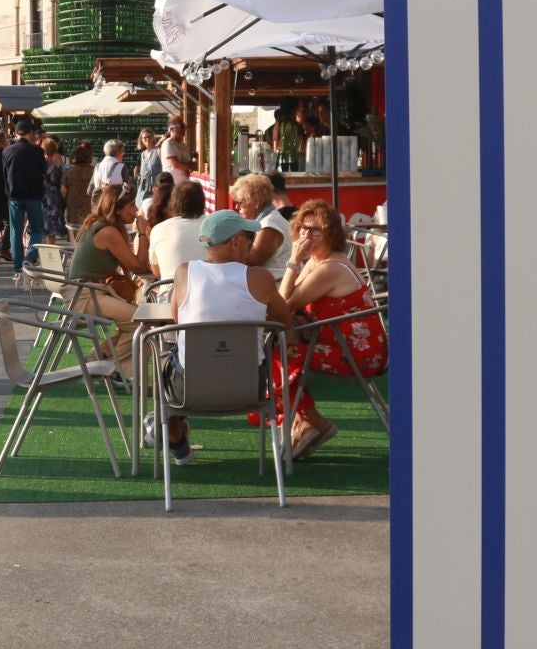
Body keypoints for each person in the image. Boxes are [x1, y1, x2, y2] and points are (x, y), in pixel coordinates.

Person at [161, 209, 294, 465]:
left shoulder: (184, 272)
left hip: (188, 390)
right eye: (248, 236)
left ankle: (175, 436)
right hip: (250, 388)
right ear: (235, 241)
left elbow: (178, 319)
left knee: (166, 354)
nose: (252, 243)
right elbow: (284, 322)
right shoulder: (261, 278)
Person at [275, 201, 389, 459]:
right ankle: (307, 421)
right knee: (277, 345)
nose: (307, 236)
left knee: (278, 350)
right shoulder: (317, 261)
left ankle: (312, 422)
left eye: (315, 231)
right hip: (338, 343)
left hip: (358, 354)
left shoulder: (329, 268)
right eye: (303, 229)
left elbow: (283, 306)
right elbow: (286, 303)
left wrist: (293, 261)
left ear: (332, 234)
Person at [67, 186, 149, 372]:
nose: (135, 210)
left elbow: (133, 265)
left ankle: (99, 357)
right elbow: (138, 266)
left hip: (87, 292)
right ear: (116, 208)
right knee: (143, 322)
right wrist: (143, 232)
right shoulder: (108, 232)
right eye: (130, 205)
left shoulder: (101, 226)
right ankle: (111, 369)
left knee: (136, 322)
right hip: (85, 296)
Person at [2, 121, 48, 278]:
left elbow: (4, 173)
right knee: (37, 229)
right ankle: (30, 256)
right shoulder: (36, 151)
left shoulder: (7, 151)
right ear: (29, 134)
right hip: (34, 195)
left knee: (16, 231)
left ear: (15, 134)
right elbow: (44, 170)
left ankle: (17, 268)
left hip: (14, 196)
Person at [147, 180, 209, 284]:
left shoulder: (158, 229)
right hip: (207, 292)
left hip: (169, 294)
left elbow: (156, 271)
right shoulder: (213, 226)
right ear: (202, 201)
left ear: (173, 202)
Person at [232, 172, 293, 275]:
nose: (237, 207)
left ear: (256, 202)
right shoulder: (265, 219)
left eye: (240, 202)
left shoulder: (269, 225)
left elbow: (251, 262)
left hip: (279, 284)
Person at [61, 142, 95, 239]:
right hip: (89, 205)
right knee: (88, 229)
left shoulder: (68, 171)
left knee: (74, 231)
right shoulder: (94, 170)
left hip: (73, 205)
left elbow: (63, 191)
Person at [159, 116, 195, 187]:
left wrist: (189, 167)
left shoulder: (184, 146)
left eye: (184, 127)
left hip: (182, 185)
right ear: (171, 129)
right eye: (180, 127)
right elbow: (175, 163)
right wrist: (190, 167)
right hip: (171, 185)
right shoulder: (168, 143)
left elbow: (187, 162)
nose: (183, 129)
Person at [134, 127, 161, 205]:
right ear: (141, 140)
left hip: (156, 187)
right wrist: (138, 176)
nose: (147, 139)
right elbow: (137, 172)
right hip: (143, 188)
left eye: (149, 136)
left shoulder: (158, 151)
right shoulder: (142, 154)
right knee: (140, 207)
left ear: (153, 138)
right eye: (145, 137)